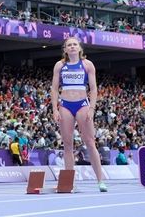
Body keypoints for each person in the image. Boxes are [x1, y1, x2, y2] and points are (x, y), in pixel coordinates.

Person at [51, 37, 107, 192]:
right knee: (67, 144)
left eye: (75, 44)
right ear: (65, 49)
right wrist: (55, 109)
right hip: (65, 105)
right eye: (69, 45)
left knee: (90, 142)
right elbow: (54, 88)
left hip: (82, 104)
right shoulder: (60, 65)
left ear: (80, 48)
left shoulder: (87, 65)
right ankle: (69, 183)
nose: (72, 47)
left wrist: (92, 108)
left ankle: (100, 180)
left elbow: (94, 88)